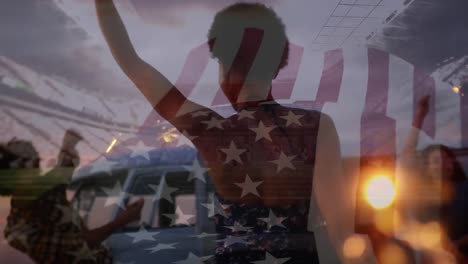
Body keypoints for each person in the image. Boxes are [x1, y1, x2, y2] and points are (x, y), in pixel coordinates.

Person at [96, 1, 353, 263]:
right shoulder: (317, 126)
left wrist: (103, 4)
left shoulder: (213, 131)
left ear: (225, 67)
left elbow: (131, 63)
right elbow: (342, 232)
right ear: (276, 66)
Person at [1, 133, 144, 263]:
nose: (39, 162)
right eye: (34, 161)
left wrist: (68, 145)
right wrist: (123, 220)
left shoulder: (44, 192)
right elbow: (81, 245)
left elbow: (62, 172)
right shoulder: (25, 230)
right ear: (20, 171)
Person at [399, 95, 468, 262]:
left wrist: (457, 247)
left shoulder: (465, 188)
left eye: (447, 158)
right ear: (427, 167)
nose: (444, 163)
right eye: (437, 160)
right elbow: (407, 156)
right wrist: (419, 116)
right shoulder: (420, 191)